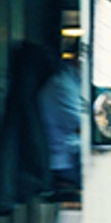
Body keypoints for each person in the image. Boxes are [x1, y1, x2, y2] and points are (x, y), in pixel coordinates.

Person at [39, 48, 82, 196]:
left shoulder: (77, 82)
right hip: (66, 163)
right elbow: (84, 127)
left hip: (74, 154)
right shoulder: (63, 86)